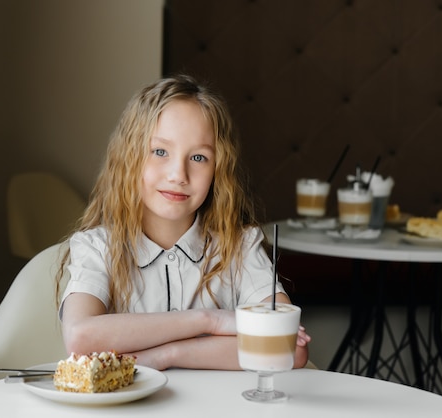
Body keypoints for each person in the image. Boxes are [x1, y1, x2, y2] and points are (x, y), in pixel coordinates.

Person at [56, 74, 311, 371]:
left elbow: (289, 347)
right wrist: (210, 320)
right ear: (129, 157)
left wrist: (168, 355)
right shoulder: (97, 247)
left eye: (199, 158)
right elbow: (80, 337)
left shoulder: (239, 245)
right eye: (160, 152)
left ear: (218, 168)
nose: (179, 174)